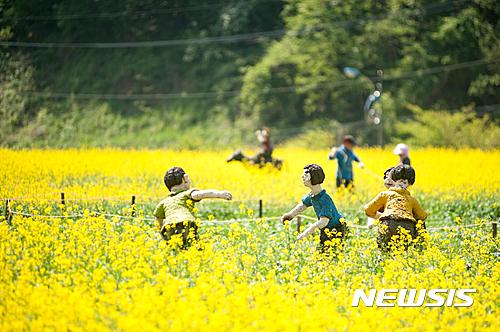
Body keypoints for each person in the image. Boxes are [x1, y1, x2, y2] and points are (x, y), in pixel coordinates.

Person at [154, 166, 232, 249]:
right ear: (185, 179)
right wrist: (220, 194)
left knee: (177, 250)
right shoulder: (186, 193)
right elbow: (199, 194)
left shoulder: (164, 202)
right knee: (194, 247)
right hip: (186, 223)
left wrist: (163, 235)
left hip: (168, 228)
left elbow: (158, 219)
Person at [281, 164, 347, 252]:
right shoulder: (313, 195)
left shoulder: (325, 199)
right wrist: (289, 216)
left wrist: (305, 234)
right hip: (326, 228)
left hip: (336, 228)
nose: (302, 177)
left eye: (305, 175)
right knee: (322, 252)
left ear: (312, 177)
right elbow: (302, 206)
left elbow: (323, 221)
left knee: (332, 253)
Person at [364, 164, 427, 251]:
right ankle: (421, 248)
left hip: (388, 224)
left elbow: (368, 209)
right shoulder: (412, 200)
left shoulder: (385, 195)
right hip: (407, 227)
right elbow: (422, 216)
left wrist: (379, 217)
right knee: (402, 253)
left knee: (384, 250)